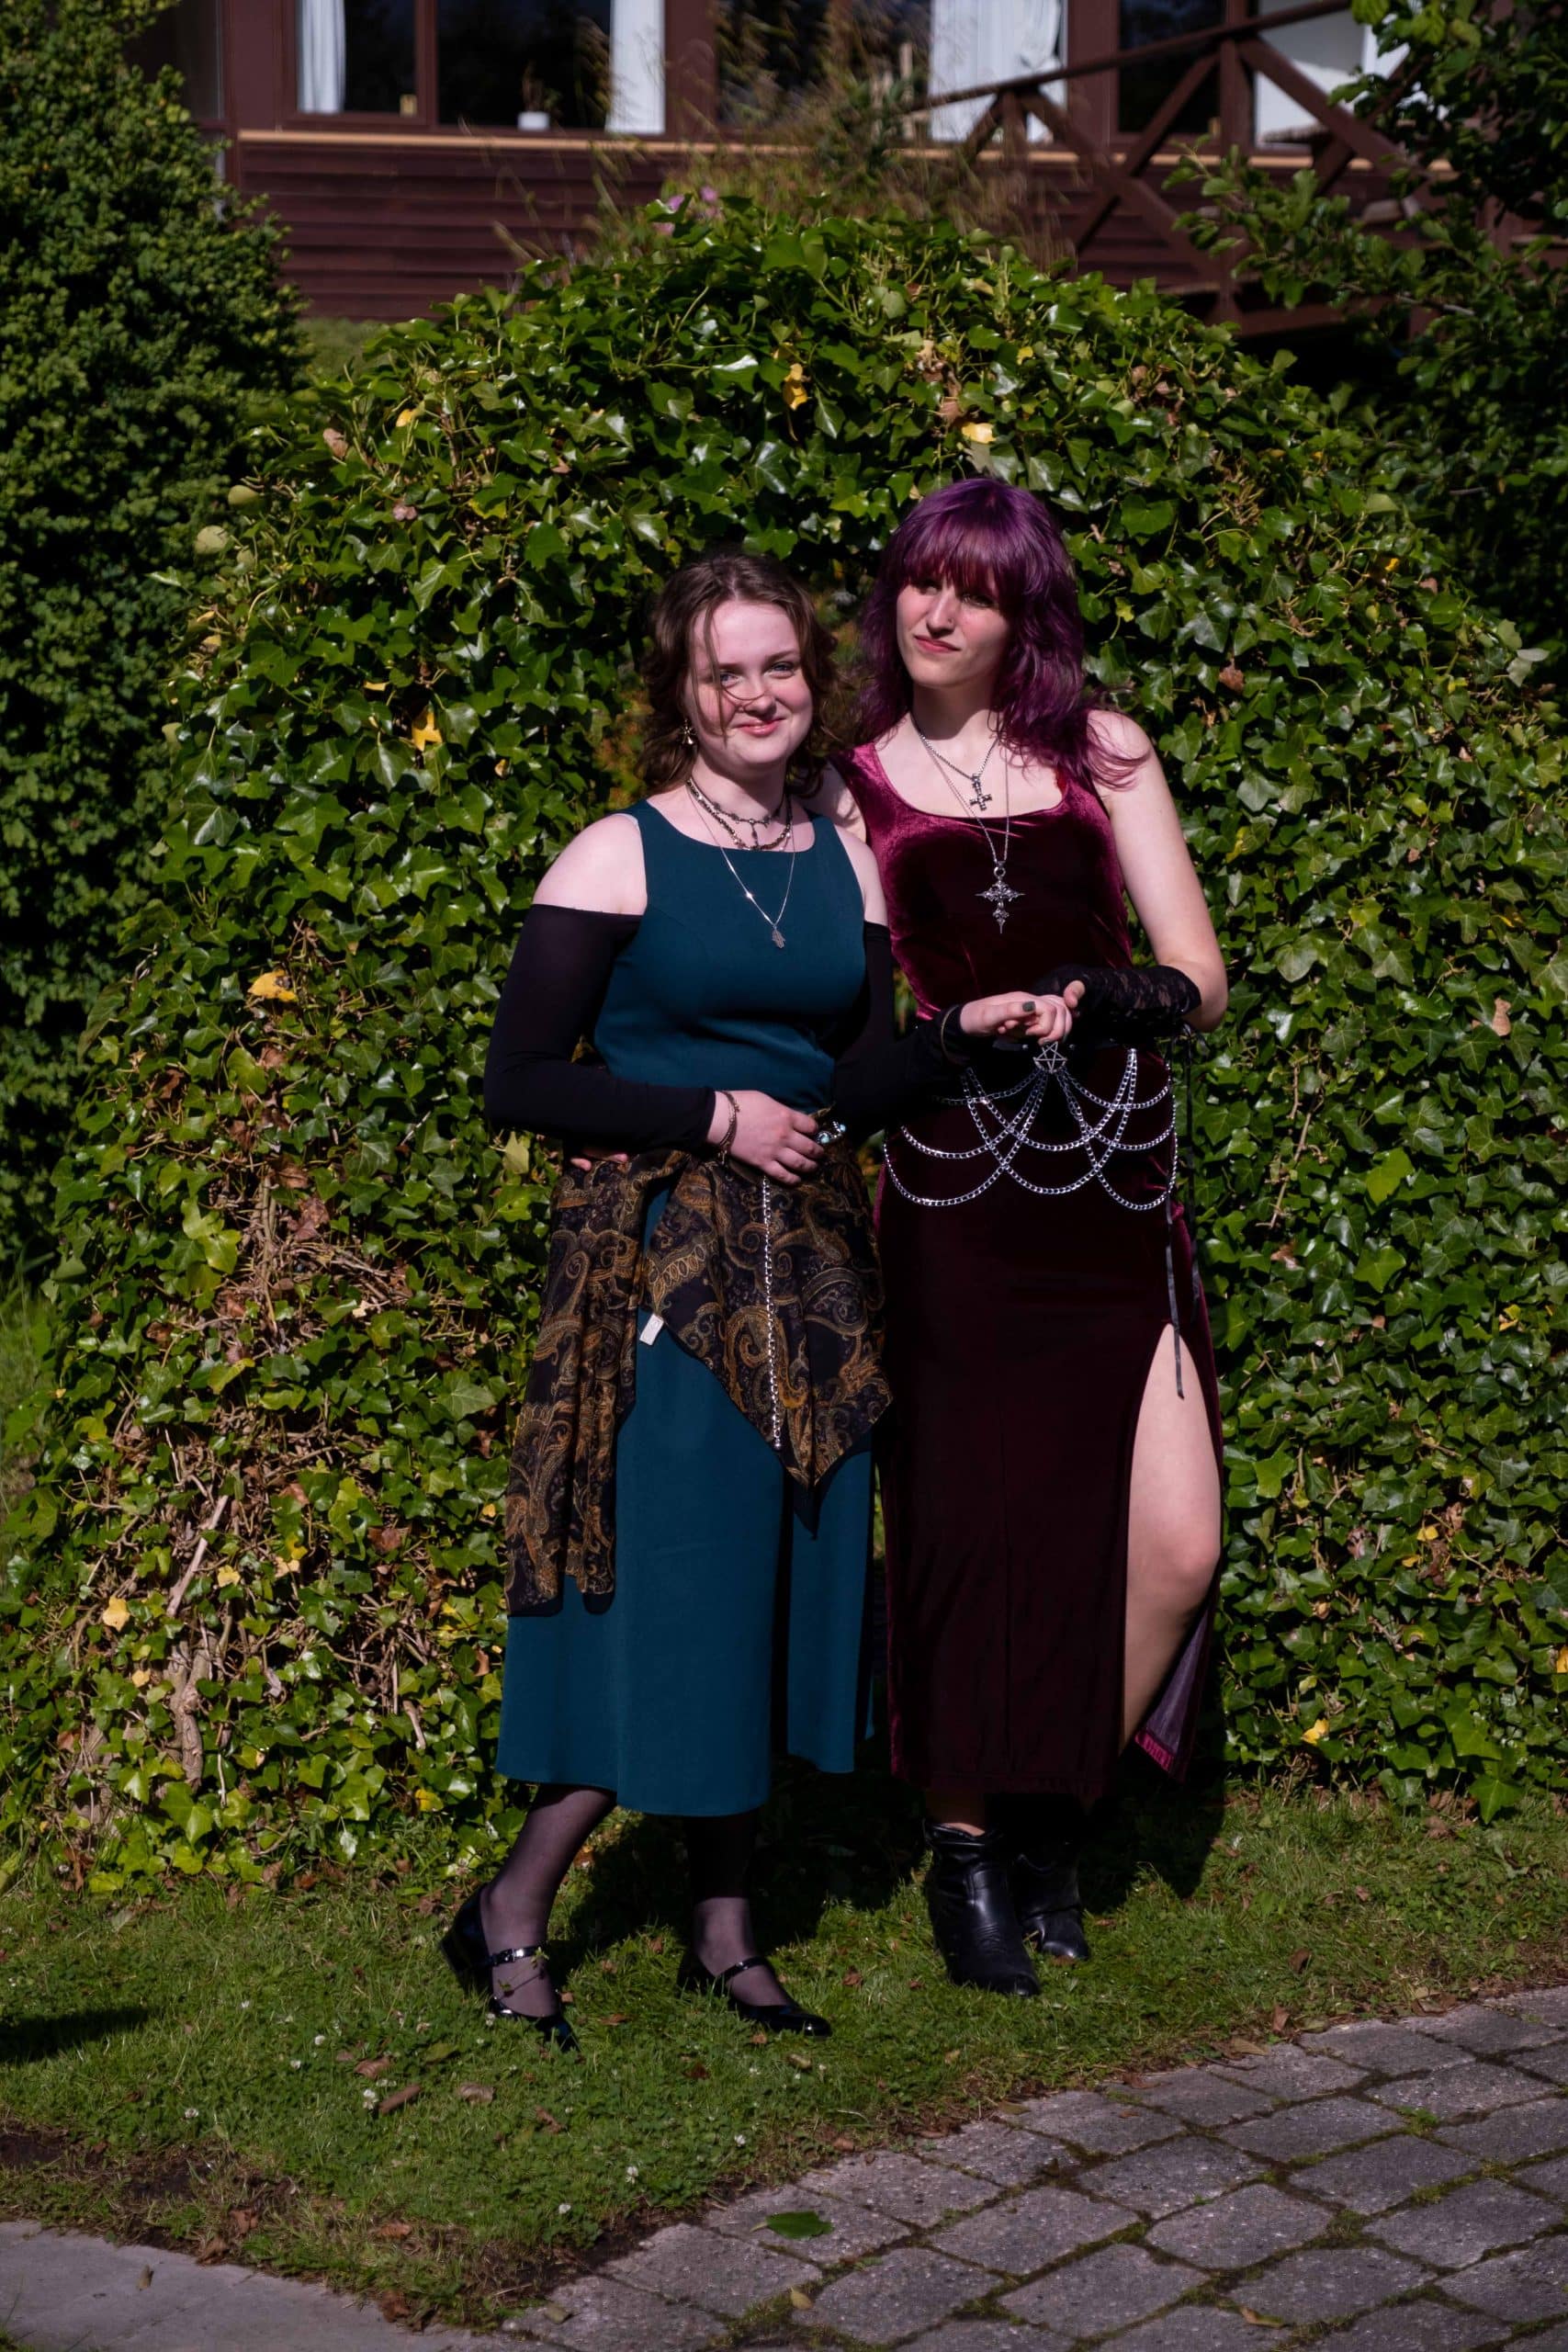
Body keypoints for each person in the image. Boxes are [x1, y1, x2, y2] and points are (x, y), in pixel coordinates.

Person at [450, 548, 1049, 2050]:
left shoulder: (844, 855)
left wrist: (957, 1038)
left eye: (780, 664)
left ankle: (726, 1926)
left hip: (816, 1283)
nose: (758, 693)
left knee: (777, 1594)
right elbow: (517, 1079)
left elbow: (847, 1082)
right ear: (683, 692)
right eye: (726, 672)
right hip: (672, 1278)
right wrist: (711, 1115)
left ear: (810, 678)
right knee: (679, 1599)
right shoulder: (619, 855)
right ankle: (511, 1907)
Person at [821, 477, 1228, 1996]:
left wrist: (1106, 997)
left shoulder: (1104, 753)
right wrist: (956, 1028)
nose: (939, 611)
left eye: (976, 591)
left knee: (1176, 1541)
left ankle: (1052, 1810)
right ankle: (967, 1843)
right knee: (963, 1535)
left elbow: (1200, 974)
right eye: (922, 580)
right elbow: (854, 1047)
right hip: (955, 1204)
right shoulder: (852, 788)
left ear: (1021, 615)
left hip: (1115, 1194)